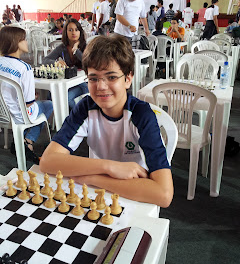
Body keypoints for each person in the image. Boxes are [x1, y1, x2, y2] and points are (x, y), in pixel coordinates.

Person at [40, 34, 173, 207]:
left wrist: (94, 178)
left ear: (128, 78)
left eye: (111, 77)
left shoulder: (141, 114)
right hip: (98, 198)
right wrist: (109, 167)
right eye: (93, 78)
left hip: (134, 193)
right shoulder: (85, 108)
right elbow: (48, 161)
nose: (101, 86)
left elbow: (163, 195)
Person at [0, 27, 53, 163]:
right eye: (23, 39)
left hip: (3, 114)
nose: (27, 42)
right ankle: (28, 142)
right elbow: (28, 103)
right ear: (16, 42)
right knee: (48, 105)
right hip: (19, 115)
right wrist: (33, 97)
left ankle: (20, 141)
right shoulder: (25, 68)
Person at [43, 18, 88, 110]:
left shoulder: (86, 47)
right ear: (66, 32)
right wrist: (56, 62)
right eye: (70, 30)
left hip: (83, 83)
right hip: (68, 81)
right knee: (51, 94)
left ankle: (77, 119)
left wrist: (76, 50)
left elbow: (88, 63)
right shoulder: (62, 47)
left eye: (76, 30)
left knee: (66, 98)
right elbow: (45, 60)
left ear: (80, 32)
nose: (73, 33)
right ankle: (60, 120)